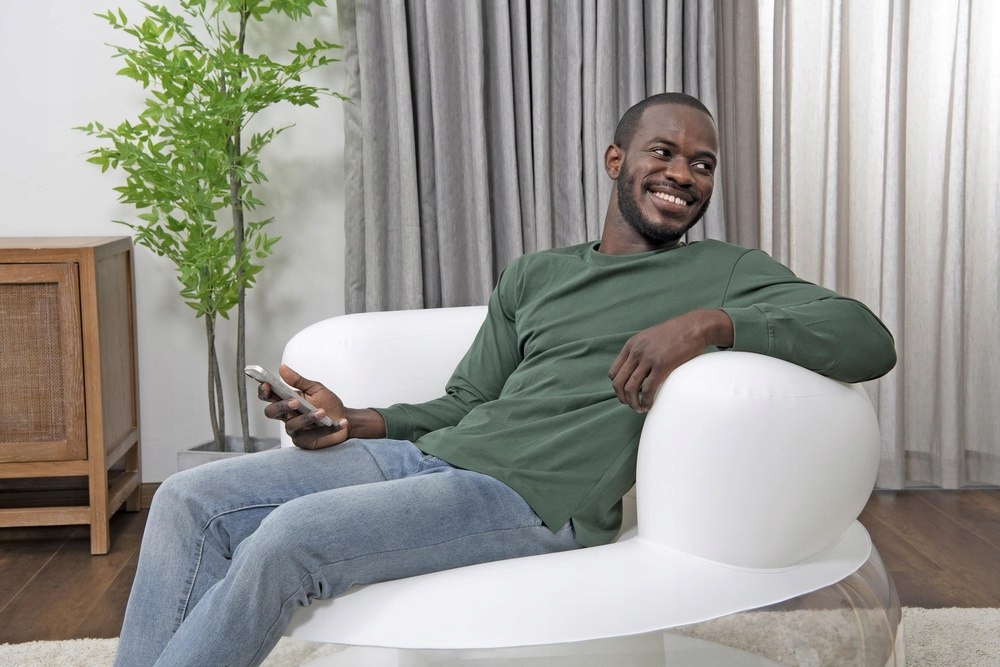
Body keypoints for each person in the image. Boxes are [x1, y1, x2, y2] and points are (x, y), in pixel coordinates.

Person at [114, 92, 896, 666]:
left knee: (288, 540)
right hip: (433, 456)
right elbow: (467, 401)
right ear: (616, 161)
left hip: (533, 497)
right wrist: (357, 418)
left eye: (702, 164)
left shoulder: (724, 271)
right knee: (187, 500)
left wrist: (708, 324)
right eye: (663, 152)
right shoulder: (535, 273)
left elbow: (867, 337)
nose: (683, 174)